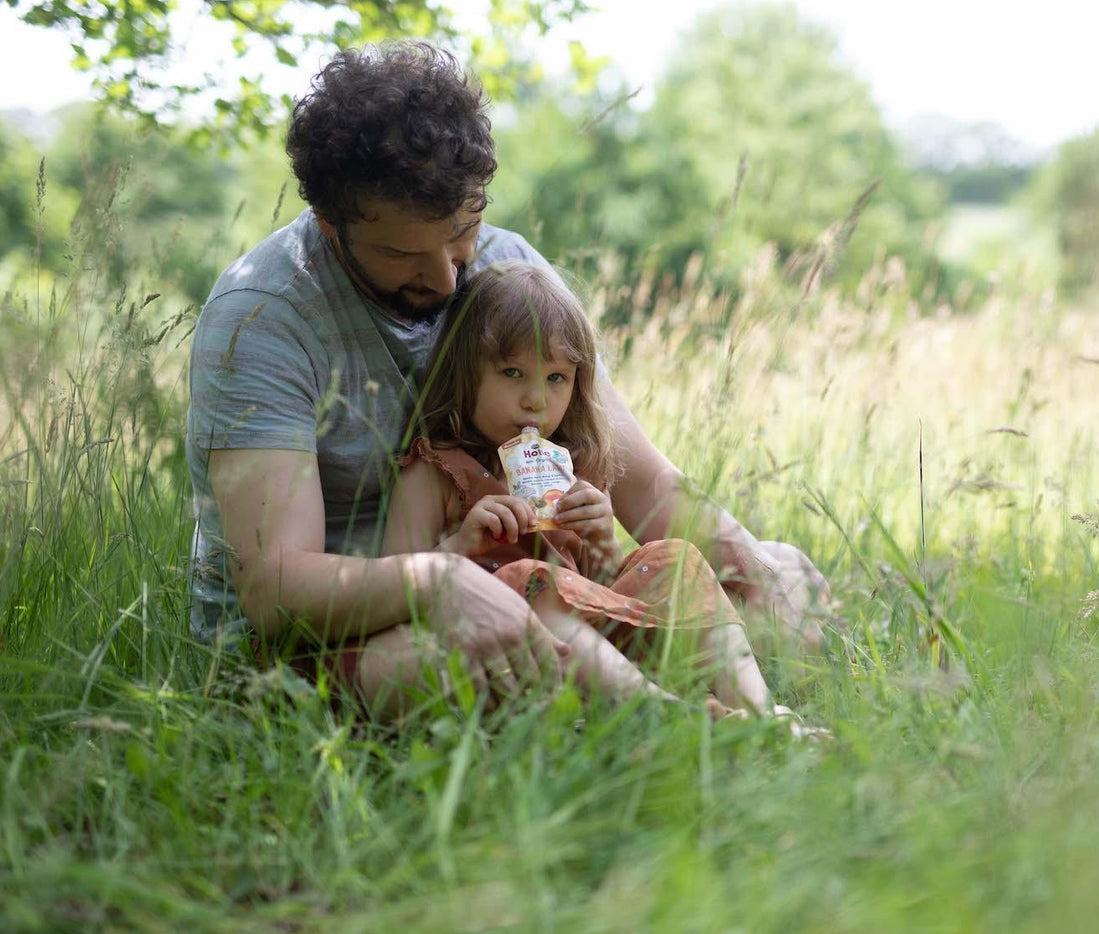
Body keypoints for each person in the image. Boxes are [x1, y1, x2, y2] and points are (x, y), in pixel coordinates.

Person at [184, 40, 830, 718]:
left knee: (722, 584)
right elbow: (273, 591)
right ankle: (678, 727)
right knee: (482, 649)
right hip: (331, 640)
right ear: (331, 226)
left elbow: (639, 479)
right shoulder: (262, 314)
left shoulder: (506, 267)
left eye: (461, 233)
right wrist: (438, 577)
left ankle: (719, 712)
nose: (445, 278)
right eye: (403, 252)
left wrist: (750, 564)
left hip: (526, 588)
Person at [379, 259, 825, 735]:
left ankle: (758, 712)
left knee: (674, 557)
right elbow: (395, 580)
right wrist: (461, 547)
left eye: (556, 379)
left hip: (599, 648)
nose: (536, 399)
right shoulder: (436, 471)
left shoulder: (569, 467)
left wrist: (601, 540)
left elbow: (600, 586)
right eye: (512, 372)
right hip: (516, 647)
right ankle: (670, 715)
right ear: (465, 373)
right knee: (529, 578)